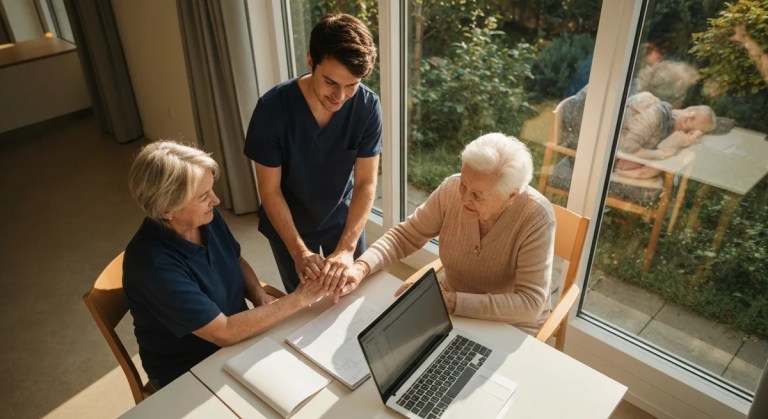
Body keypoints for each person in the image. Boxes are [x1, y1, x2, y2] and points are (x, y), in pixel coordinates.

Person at [123, 141, 326, 389]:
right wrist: (300, 298)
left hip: (238, 335)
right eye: (204, 197)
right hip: (189, 370)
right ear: (166, 209)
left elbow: (236, 260)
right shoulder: (152, 265)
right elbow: (225, 332)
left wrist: (258, 294)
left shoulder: (205, 218)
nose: (216, 201)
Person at [332, 133, 555, 335]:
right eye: (464, 185)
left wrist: (452, 301)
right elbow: (405, 236)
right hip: (452, 311)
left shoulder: (536, 218)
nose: (465, 197)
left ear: (511, 196)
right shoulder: (451, 190)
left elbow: (530, 303)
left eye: (477, 195)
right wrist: (361, 268)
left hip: (511, 324)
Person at [244, 13, 381, 294]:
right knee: (304, 305)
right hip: (289, 224)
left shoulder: (367, 107)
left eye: (352, 85)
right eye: (331, 82)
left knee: (352, 296)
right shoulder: (272, 110)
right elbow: (269, 191)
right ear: (310, 60)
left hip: (342, 220)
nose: (340, 97)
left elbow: (366, 183)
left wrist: (346, 248)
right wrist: (299, 252)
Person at [615, 91, 716, 179]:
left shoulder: (672, 132)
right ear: (689, 114)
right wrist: (660, 154)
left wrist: (677, 142)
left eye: (693, 133)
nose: (688, 132)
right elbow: (628, 147)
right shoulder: (656, 114)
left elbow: (654, 168)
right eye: (691, 130)